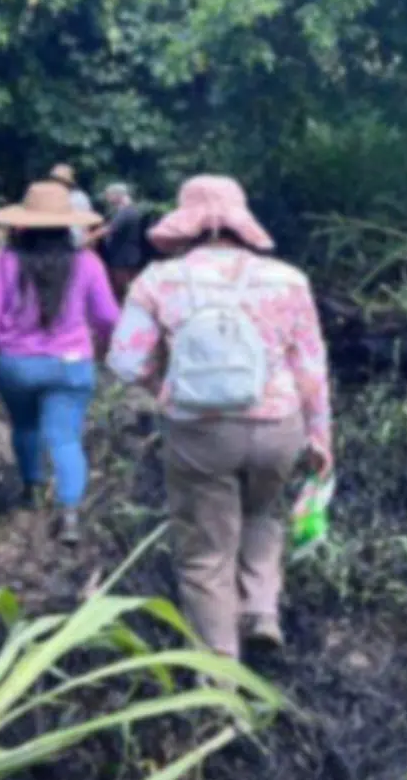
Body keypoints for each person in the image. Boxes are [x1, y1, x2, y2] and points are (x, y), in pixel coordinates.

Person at [106, 175, 333, 660]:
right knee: (261, 512)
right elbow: (311, 368)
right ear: (240, 220)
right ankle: (261, 611)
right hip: (279, 427)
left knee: (206, 552)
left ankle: (219, 668)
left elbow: (124, 361)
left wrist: (163, 384)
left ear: (185, 222)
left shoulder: (159, 280)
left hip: (199, 432)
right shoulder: (289, 280)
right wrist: (320, 436)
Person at [0, 180, 119, 541]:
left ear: (22, 223)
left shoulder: (4, 262)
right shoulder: (87, 262)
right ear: (68, 225)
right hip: (71, 365)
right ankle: (70, 514)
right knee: (65, 437)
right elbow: (107, 317)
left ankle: (32, 492)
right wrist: (112, 349)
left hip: (17, 365)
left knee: (25, 427)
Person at [86, 181, 147, 302]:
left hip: (122, 259)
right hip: (128, 257)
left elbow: (109, 229)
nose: (107, 198)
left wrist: (88, 238)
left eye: (109, 195)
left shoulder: (125, 212)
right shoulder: (128, 211)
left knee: (120, 291)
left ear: (117, 195)